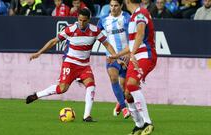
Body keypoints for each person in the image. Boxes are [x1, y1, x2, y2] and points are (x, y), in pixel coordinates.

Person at [26, 8, 117, 122]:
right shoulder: (70, 30)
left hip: (84, 65)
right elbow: (54, 41)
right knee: (62, 89)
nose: (81, 23)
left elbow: (107, 44)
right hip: (70, 63)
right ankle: (37, 95)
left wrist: (115, 56)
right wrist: (39, 53)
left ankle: (86, 116)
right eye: (80, 20)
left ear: (89, 20)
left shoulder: (95, 31)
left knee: (91, 85)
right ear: (77, 18)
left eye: (84, 21)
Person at [110, 0, 157, 134]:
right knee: (127, 93)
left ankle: (148, 122)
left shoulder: (141, 13)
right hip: (136, 56)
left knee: (131, 85)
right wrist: (118, 55)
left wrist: (132, 54)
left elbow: (140, 34)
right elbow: (132, 42)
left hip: (145, 55)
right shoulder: (133, 16)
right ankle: (139, 125)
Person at [97, 0, 131, 119]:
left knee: (125, 88)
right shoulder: (103, 19)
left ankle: (120, 102)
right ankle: (124, 107)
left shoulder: (127, 18)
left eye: (116, 5)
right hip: (111, 56)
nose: (113, 8)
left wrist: (130, 53)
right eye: (111, 6)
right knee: (113, 78)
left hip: (126, 56)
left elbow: (134, 36)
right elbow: (95, 33)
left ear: (121, 6)